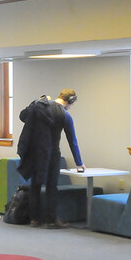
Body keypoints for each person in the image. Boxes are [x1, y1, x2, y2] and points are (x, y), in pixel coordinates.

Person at [17, 89, 86, 228]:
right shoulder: (65, 115)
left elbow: (23, 117)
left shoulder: (39, 107)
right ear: (70, 101)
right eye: (72, 105)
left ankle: (34, 219)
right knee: (51, 187)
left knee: (35, 185)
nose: (70, 107)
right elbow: (72, 140)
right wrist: (79, 163)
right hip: (52, 154)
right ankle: (51, 220)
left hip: (36, 153)